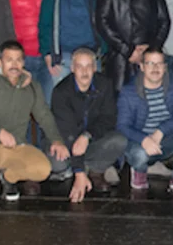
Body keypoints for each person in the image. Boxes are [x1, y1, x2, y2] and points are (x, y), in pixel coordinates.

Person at [0, 41, 69, 213]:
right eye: (9, 60)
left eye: (18, 60)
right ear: (0, 62)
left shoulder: (32, 87)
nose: (14, 65)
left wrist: (56, 140)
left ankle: (9, 178)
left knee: (43, 169)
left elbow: (44, 116)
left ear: (23, 62)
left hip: (17, 147)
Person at [48, 47, 126, 202]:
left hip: (91, 139)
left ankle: (96, 171)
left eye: (88, 66)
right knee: (58, 163)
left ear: (95, 68)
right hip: (66, 140)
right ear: (72, 68)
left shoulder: (105, 85)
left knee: (119, 140)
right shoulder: (61, 91)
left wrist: (87, 135)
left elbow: (109, 118)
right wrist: (79, 172)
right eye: (79, 66)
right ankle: (80, 168)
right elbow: (67, 132)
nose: (84, 71)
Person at [117, 47, 173, 194]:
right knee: (139, 155)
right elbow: (122, 125)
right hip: (140, 142)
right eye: (150, 63)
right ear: (142, 67)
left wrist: (161, 131)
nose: (155, 68)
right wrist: (144, 139)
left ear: (165, 67)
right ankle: (140, 172)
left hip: (166, 139)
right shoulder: (129, 91)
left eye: (159, 64)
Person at [95, 0, 171, 91]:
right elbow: (102, 22)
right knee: (120, 101)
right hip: (119, 59)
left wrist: (151, 49)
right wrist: (128, 50)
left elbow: (164, 20)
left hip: (150, 59)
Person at [39, 0, 101, 92]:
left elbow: (105, 19)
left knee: (92, 100)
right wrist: (47, 53)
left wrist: (103, 49)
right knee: (57, 99)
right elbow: (45, 22)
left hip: (91, 54)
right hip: (62, 57)